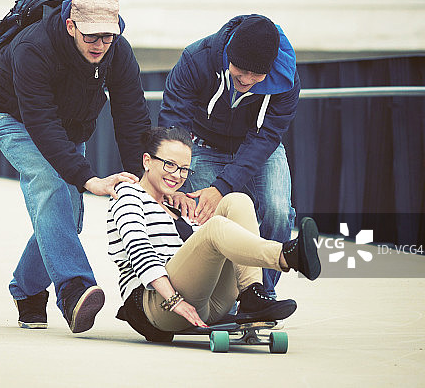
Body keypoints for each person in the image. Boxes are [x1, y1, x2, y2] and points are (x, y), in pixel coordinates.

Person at [0, 0, 150, 333]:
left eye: (107, 36)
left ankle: (27, 289)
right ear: (71, 26)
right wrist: (88, 178)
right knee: (51, 185)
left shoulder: (118, 51)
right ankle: (74, 290)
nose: (99, 45)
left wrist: (141, 177)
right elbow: (41, 123)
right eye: (91, 36)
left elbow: (132, 115)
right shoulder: (33, 47)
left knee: (66, 219)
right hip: (16, 120)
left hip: (70, 129)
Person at [108, 126, 320, 341]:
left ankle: (251, 294)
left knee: (237, 200)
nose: (177, 175)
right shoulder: (127, 195)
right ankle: (286, 255)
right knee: (215, 226)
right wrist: (174, 301)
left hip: (206, 302)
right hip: (158, 305)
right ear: (147, 161)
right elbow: (139, 251)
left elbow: (201, 258)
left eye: (184, 169)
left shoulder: (175, 203)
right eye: (169, 164)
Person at [158, 14, 300, 299]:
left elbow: (266, 136)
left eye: (256, 74)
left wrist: (222, 187)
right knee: (202, 216)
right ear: (228, 54)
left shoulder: (287, 79)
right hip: (204, 142)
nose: (245, 80)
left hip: (260, 146)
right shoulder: (196, 59)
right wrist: (171, 181)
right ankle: (221, 297)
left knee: (277, 211)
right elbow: (174, 124)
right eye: (240, 71)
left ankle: (261, 296)